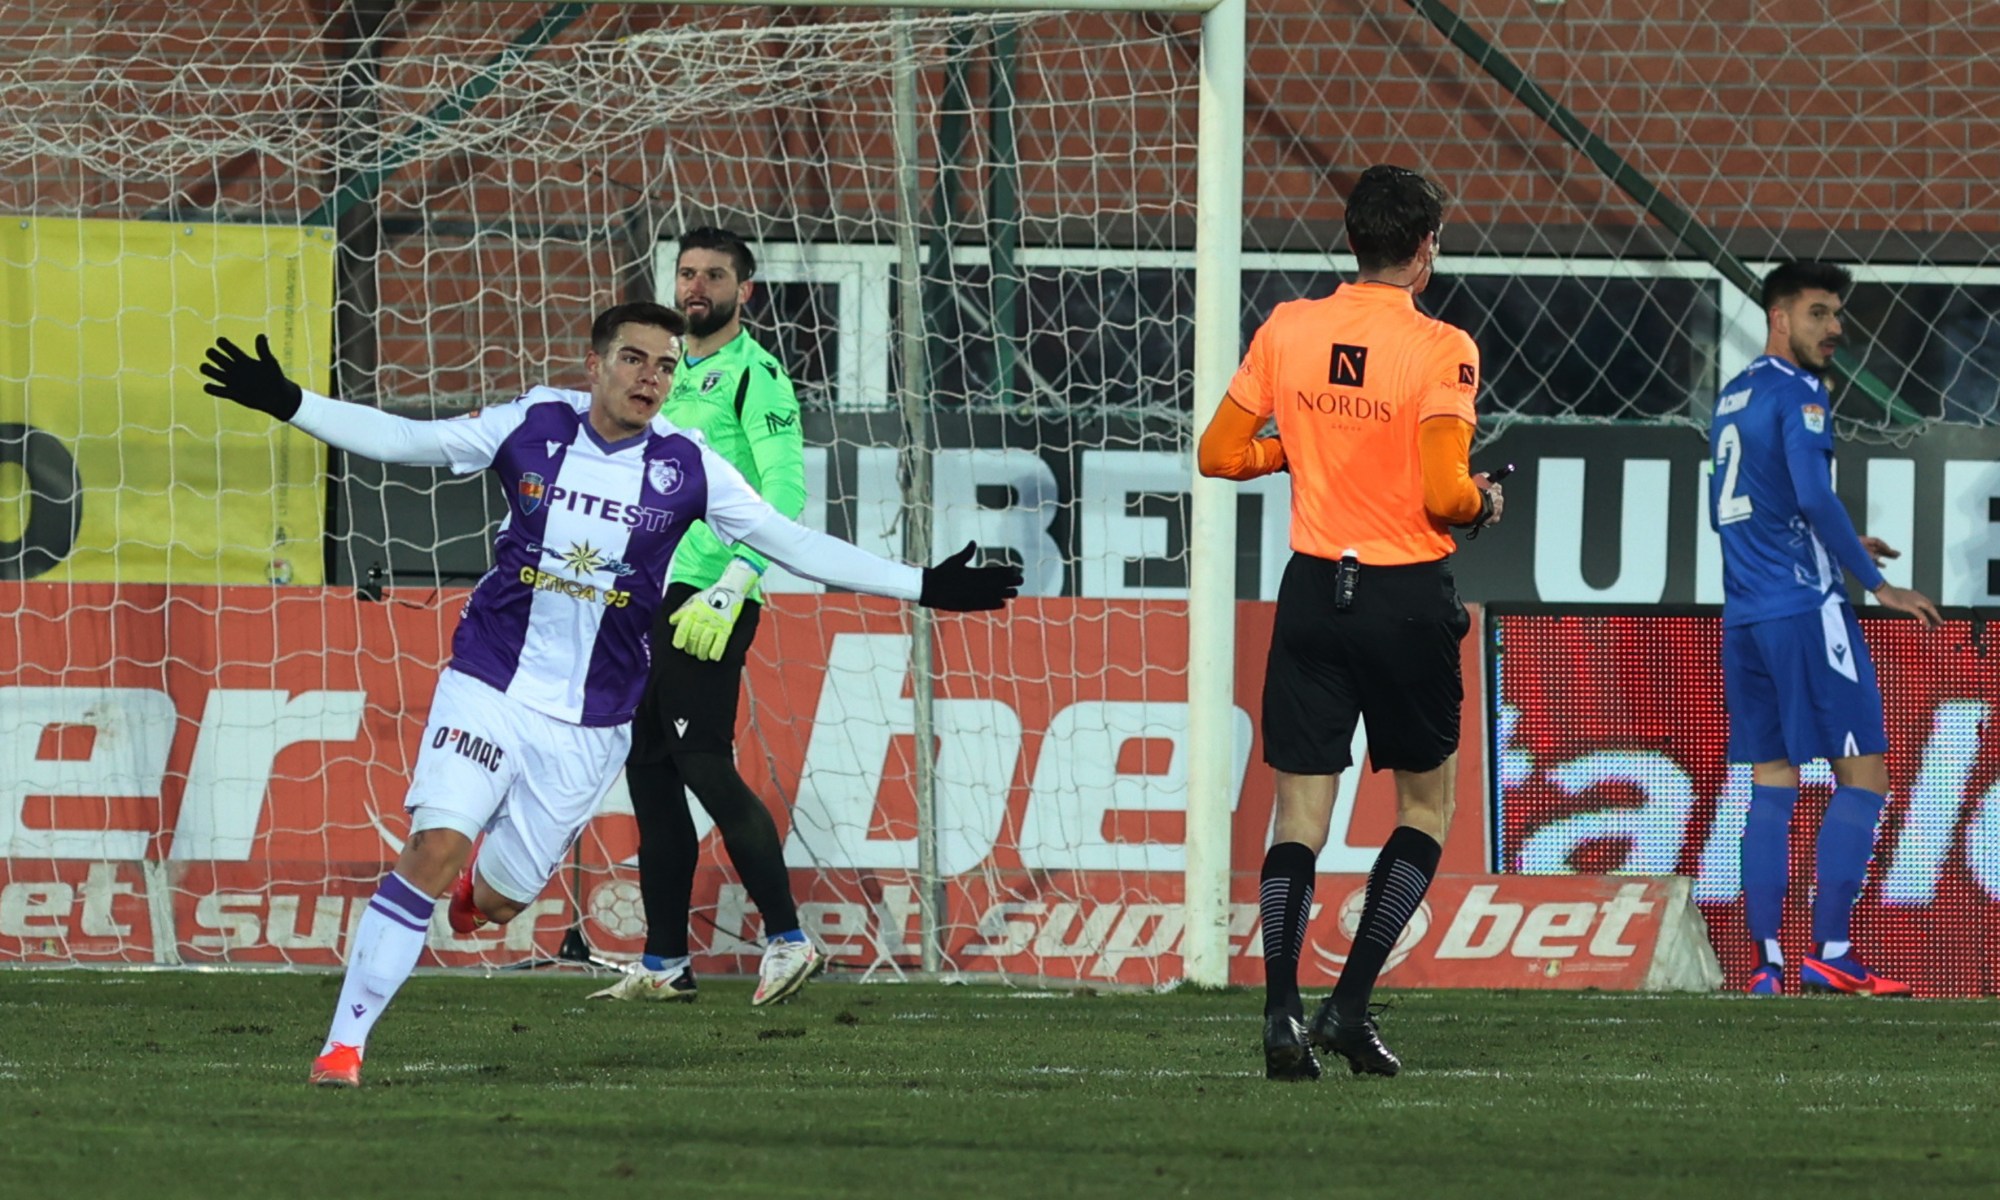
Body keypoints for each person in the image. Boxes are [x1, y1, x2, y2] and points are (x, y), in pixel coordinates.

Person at [198, 304, 1022, 1088]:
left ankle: (476, 896)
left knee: (498, 894)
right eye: (634, 359)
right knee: (433, 846)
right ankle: (343, 1046)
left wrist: (922, 584)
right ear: (595, 365)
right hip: (488, 682)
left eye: (665, 366)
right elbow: (410, 440)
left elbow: (792, 542)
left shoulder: (689, 468)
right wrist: (290, 401)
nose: (651, 377)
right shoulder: (533, 424)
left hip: (590, 725)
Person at [1199, 165, 1501, 1082]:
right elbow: (1444, 492)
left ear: (1352, 241)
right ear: (1424, 248)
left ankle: (1282, 1012)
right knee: (1425, 806)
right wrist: (1484, 502)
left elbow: (1218, 454)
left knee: (1299, 814)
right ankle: (1350, 1003)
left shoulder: (1289, 328)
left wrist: (1297, 444)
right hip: (1404, 598)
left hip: (1309, 593)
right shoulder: (1443, 345)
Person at [579, 228, 819, 1007]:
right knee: (648, 773)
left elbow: (784, 493)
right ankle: (663, 962)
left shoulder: (759, 378)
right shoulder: (662, 372)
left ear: (742, 292)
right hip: (639, 594)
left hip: (707, 600)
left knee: (703, 763)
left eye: (714, 276)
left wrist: (739, 578)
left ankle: (786, 938)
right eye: (686, 273)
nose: (696, 287)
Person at [1708, 260, 1941, 998]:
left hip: (1744, 617)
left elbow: (1765, 502)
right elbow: (1812, 492)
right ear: (1780, 317)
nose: (1835, 328)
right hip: (1806, 610)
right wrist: (1877, 585)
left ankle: (1766, 965)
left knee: (1772, 787)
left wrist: (1840, 543)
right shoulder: (1803, 391)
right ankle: (1834, 950)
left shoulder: (1733, 392)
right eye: (1819, 313)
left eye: (1837, 314)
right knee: (1865, 776)